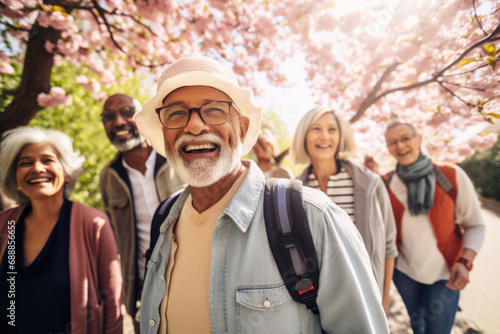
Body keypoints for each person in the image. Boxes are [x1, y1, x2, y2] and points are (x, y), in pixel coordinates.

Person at [134, 56, 389, 333]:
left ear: (242, 129)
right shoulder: (164, 219)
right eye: (176, 114)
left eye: (214, 110)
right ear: (164, 134)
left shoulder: (314, 217)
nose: (194, 126)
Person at [0, 127, 123, 333]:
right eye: (25, 163)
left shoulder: (93, 223)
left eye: (47, 160)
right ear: (16, 180)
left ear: (66, 173)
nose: (37, 168)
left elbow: (112, 303)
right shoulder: (5, 223)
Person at [289, 106, 398, 314]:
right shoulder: (294, 191)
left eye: (332, 129)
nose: (324, 136)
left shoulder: (370, 183)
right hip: (316, 301)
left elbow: (389, 245)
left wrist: (383, 299)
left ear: (340, 136)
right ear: (304, 135)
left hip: (364, 293)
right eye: (316, 129)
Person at [383, 120, 485, 334]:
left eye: (405, 138)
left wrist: (465, 261)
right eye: (392, 142)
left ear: (419, 139)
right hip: (404, 273)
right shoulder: (385, 184)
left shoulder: (450, 175)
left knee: (437, 330)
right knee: (417, 325)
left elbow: (475, 224)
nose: (400, 146)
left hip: (445, 273)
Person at [99, 93, 186, 327]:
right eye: (108, 117)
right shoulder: (108, 176)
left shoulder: (178, 156)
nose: (118, 122)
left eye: (128, 113)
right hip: (143, 285)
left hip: (191, 272)